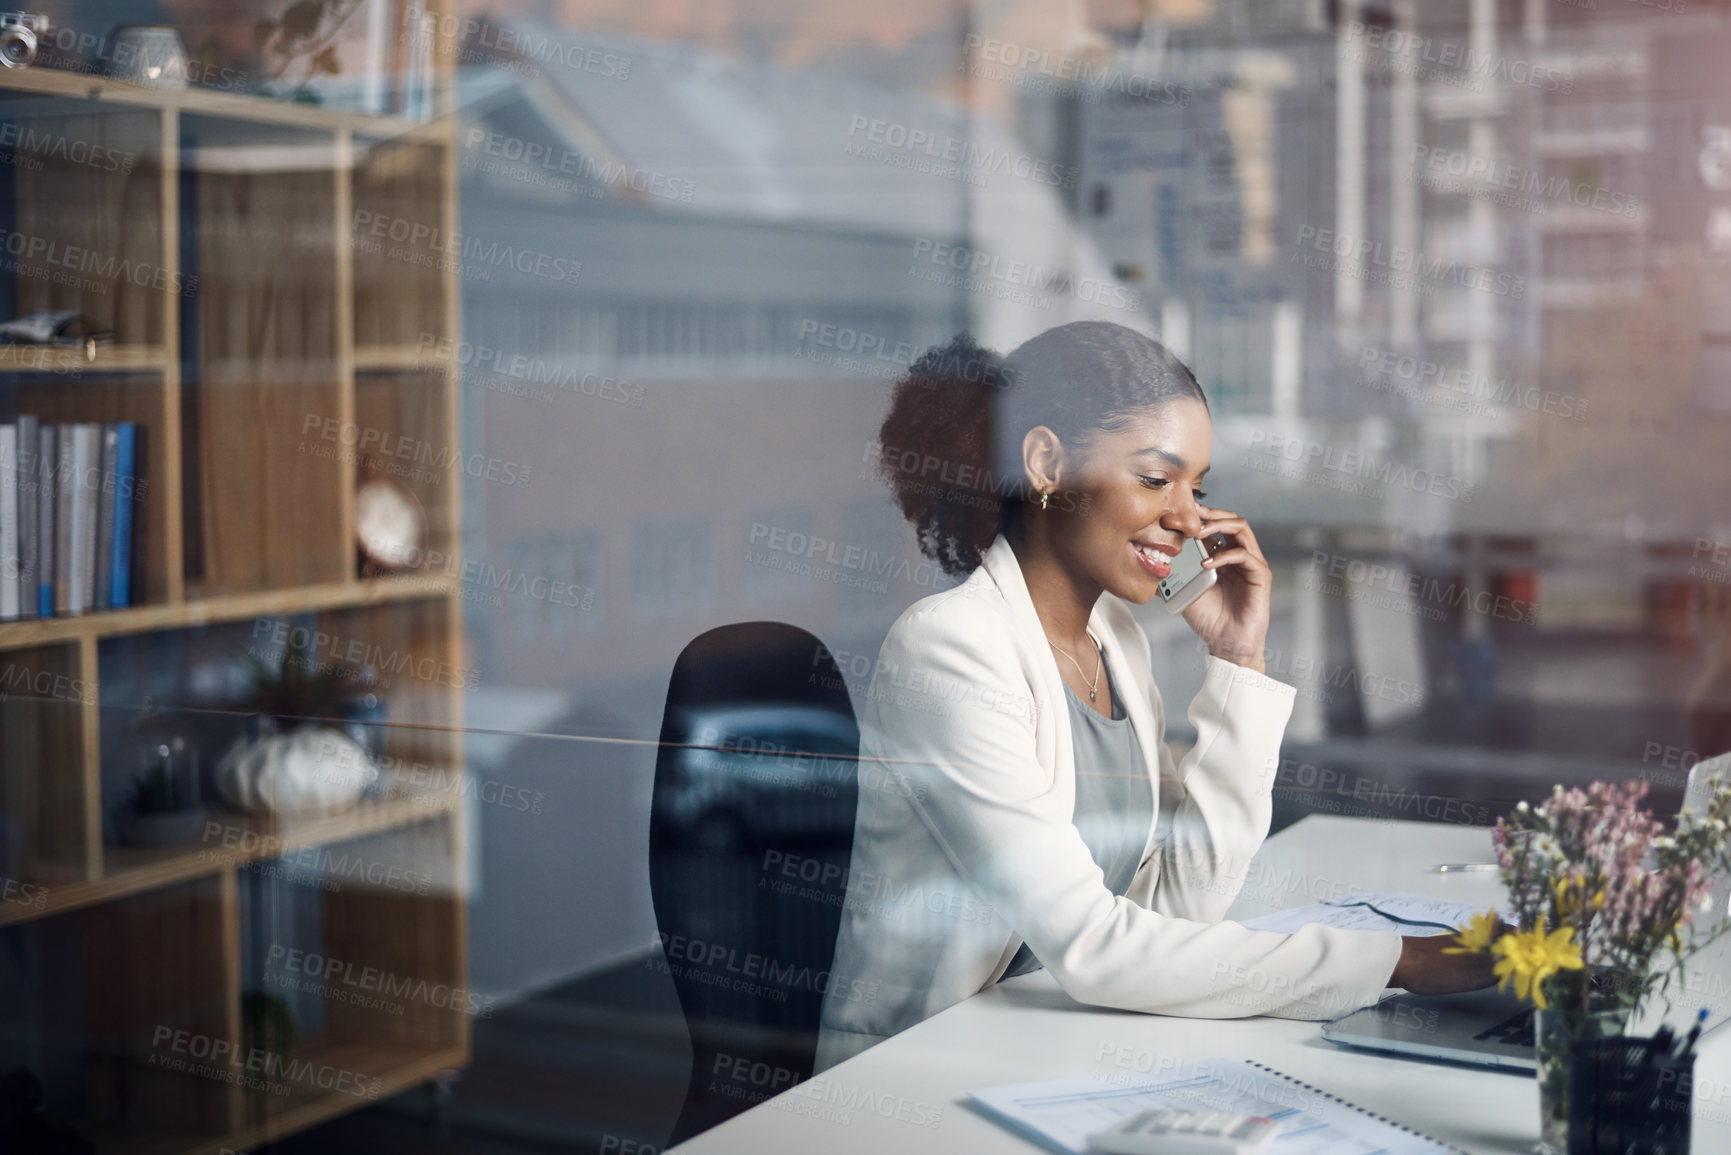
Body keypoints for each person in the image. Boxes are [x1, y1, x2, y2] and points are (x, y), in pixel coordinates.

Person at [814, 322, 1492, 1071]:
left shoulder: (1117, 641)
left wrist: (1237, 657)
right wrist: (1402, 960)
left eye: (1196, 489)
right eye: (1153, 478)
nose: (1188, 518)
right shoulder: (948, 649)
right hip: (923, 1074)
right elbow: (1095, 946)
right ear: (1044, 463)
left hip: (1054, 1046)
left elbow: (1179, 902)